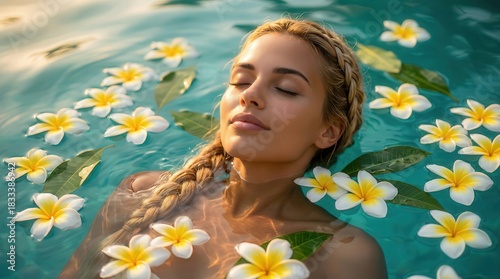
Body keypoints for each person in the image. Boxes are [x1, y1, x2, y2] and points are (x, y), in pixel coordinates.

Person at [60, 18, 388, 279]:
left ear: (328, 131)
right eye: (241, 81)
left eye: (286, 89)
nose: (249, 95)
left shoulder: (345, 253)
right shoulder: (141, 193)